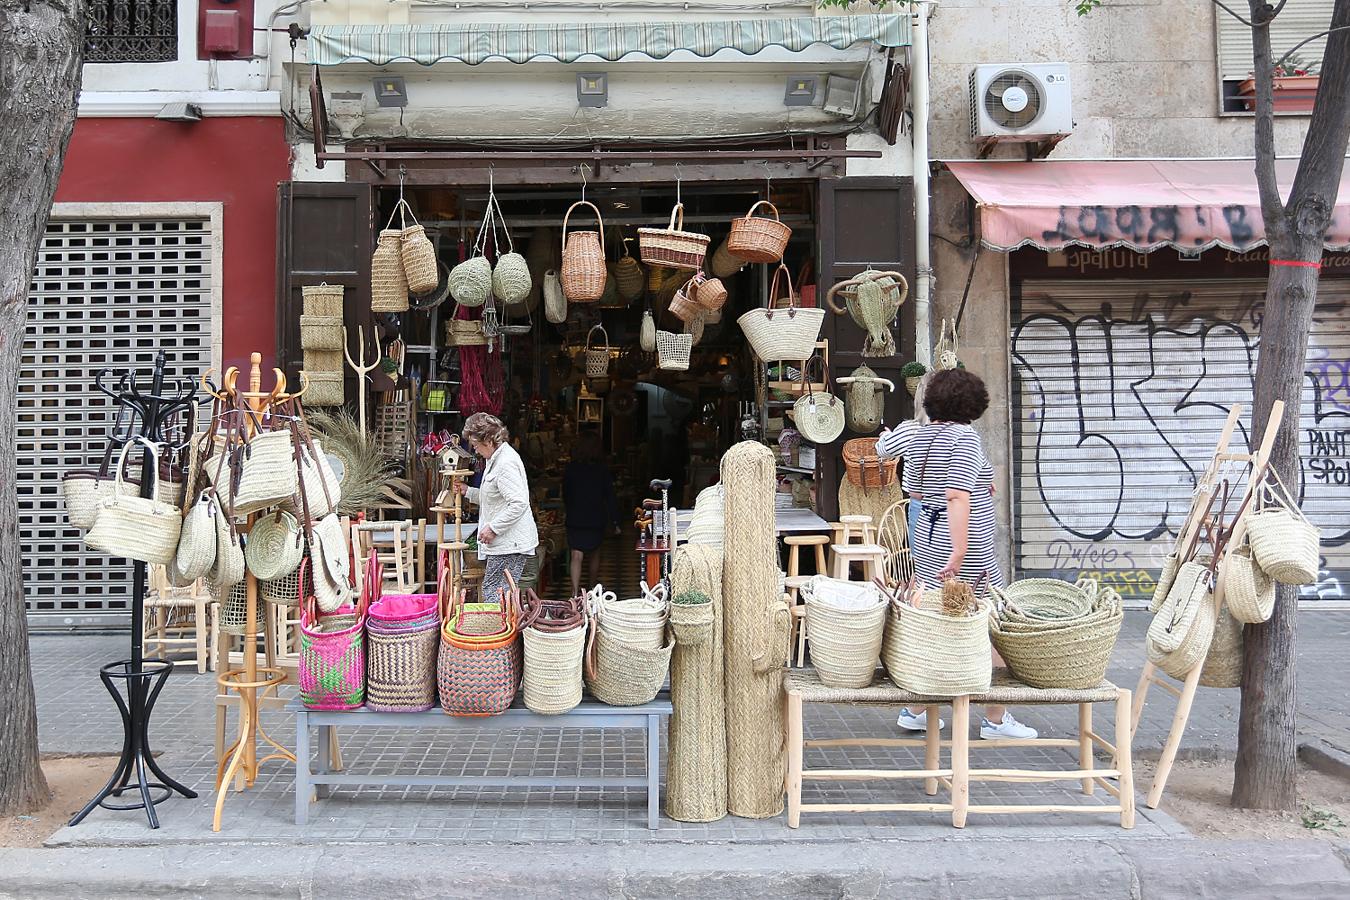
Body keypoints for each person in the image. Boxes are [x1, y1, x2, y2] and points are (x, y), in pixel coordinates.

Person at [876, 368, 1037, 741]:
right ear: (972, 404)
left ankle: (917, 708)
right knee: (989, 621)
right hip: (963, 545)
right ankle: (996, 719)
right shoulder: (964, 438)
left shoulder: (916, 433)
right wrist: (960, 550)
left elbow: (901, 469)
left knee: (937, 619)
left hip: (927, 537)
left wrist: (980, 477)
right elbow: (956, 495)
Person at [454, 413, 538, 604]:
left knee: (496, 591)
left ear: (489, 440)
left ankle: (499, 630)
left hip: (511, 543)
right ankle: (502, 629)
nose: (475, 450)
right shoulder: (496, 458)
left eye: (476, 445)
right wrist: (468, 491)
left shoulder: (506, 462)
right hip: (506, 543)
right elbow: (494, 498)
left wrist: (493, 528)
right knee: (498, 589)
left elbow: (518, 503)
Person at [562, 430, 620, 597]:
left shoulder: (571, 469)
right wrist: (615, 521)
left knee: (576, 554)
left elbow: (565, 492)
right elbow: (610, 495)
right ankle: (592, 586)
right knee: (595, 552)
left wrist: (569, 507)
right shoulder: (602, 470)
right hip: (595, 516)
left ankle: (574, 591)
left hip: (575, 516)